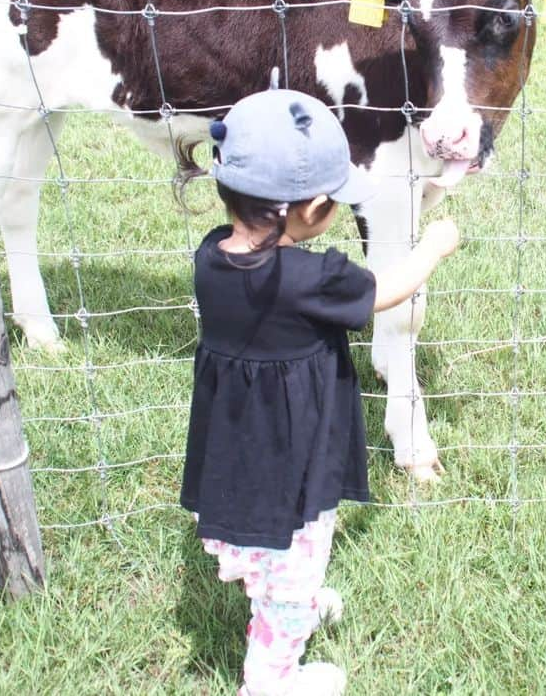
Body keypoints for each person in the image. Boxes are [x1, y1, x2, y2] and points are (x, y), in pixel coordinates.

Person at [179, 83, 459, 696]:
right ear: (305, 208)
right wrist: (433, 249)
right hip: (295, 458)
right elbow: (385, 290)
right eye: (334, 202)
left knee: (271, 551)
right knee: (296, 554)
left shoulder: (210, 258)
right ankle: (271, 677)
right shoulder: (311, 278)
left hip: (239, 451)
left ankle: (288, 597)